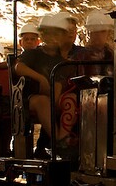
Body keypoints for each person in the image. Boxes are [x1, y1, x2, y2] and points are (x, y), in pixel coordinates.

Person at [14, 14, 73, 156]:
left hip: (52, 96)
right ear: (43, 35)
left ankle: (63, 137)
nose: (52, 37)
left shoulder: (62, 60)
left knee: (71, 99)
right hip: (31, 97)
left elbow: (59, 82)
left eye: (56, 34)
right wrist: (41, 78)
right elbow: (18, 67)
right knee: (43, 101)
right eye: (49, 33)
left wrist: (56, 98)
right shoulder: (33, 54)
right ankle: (58, 139)